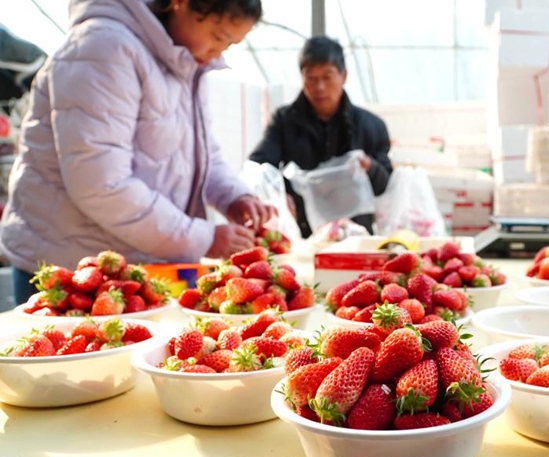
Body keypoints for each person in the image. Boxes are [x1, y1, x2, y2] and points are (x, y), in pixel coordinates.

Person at [0, 0, 275, 304]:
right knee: (74, 349)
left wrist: (234, 197)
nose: (219, 52)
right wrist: (204, 237)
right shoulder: (103, 49)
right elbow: (100, 184)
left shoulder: (182, 61)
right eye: (219, 36)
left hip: (127, 268)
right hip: (70, 272)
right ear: (180, 4)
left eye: (230, 44)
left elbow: (201, 151)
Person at [249, 35, 393, 238]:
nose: (320, 87)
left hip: (356, 236)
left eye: (327, 76)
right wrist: (281, 195)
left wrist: (369, 166)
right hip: (303, 235)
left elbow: (385, 185)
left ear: (343, 76)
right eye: (311, 78)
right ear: (302, 78)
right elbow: (260, 166)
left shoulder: (371, 125)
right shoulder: (285, 121)